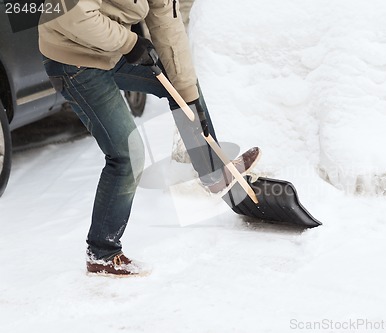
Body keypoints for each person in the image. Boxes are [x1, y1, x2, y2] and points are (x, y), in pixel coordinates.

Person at [38, 0, 261, 276]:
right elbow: (72, 16)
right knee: (127, 155)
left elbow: (167, 25)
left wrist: (190, 103)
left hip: (109, 47)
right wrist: (131, 44)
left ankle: (212, 173)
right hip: (72, 58)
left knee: (182, 88)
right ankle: (102, 252)